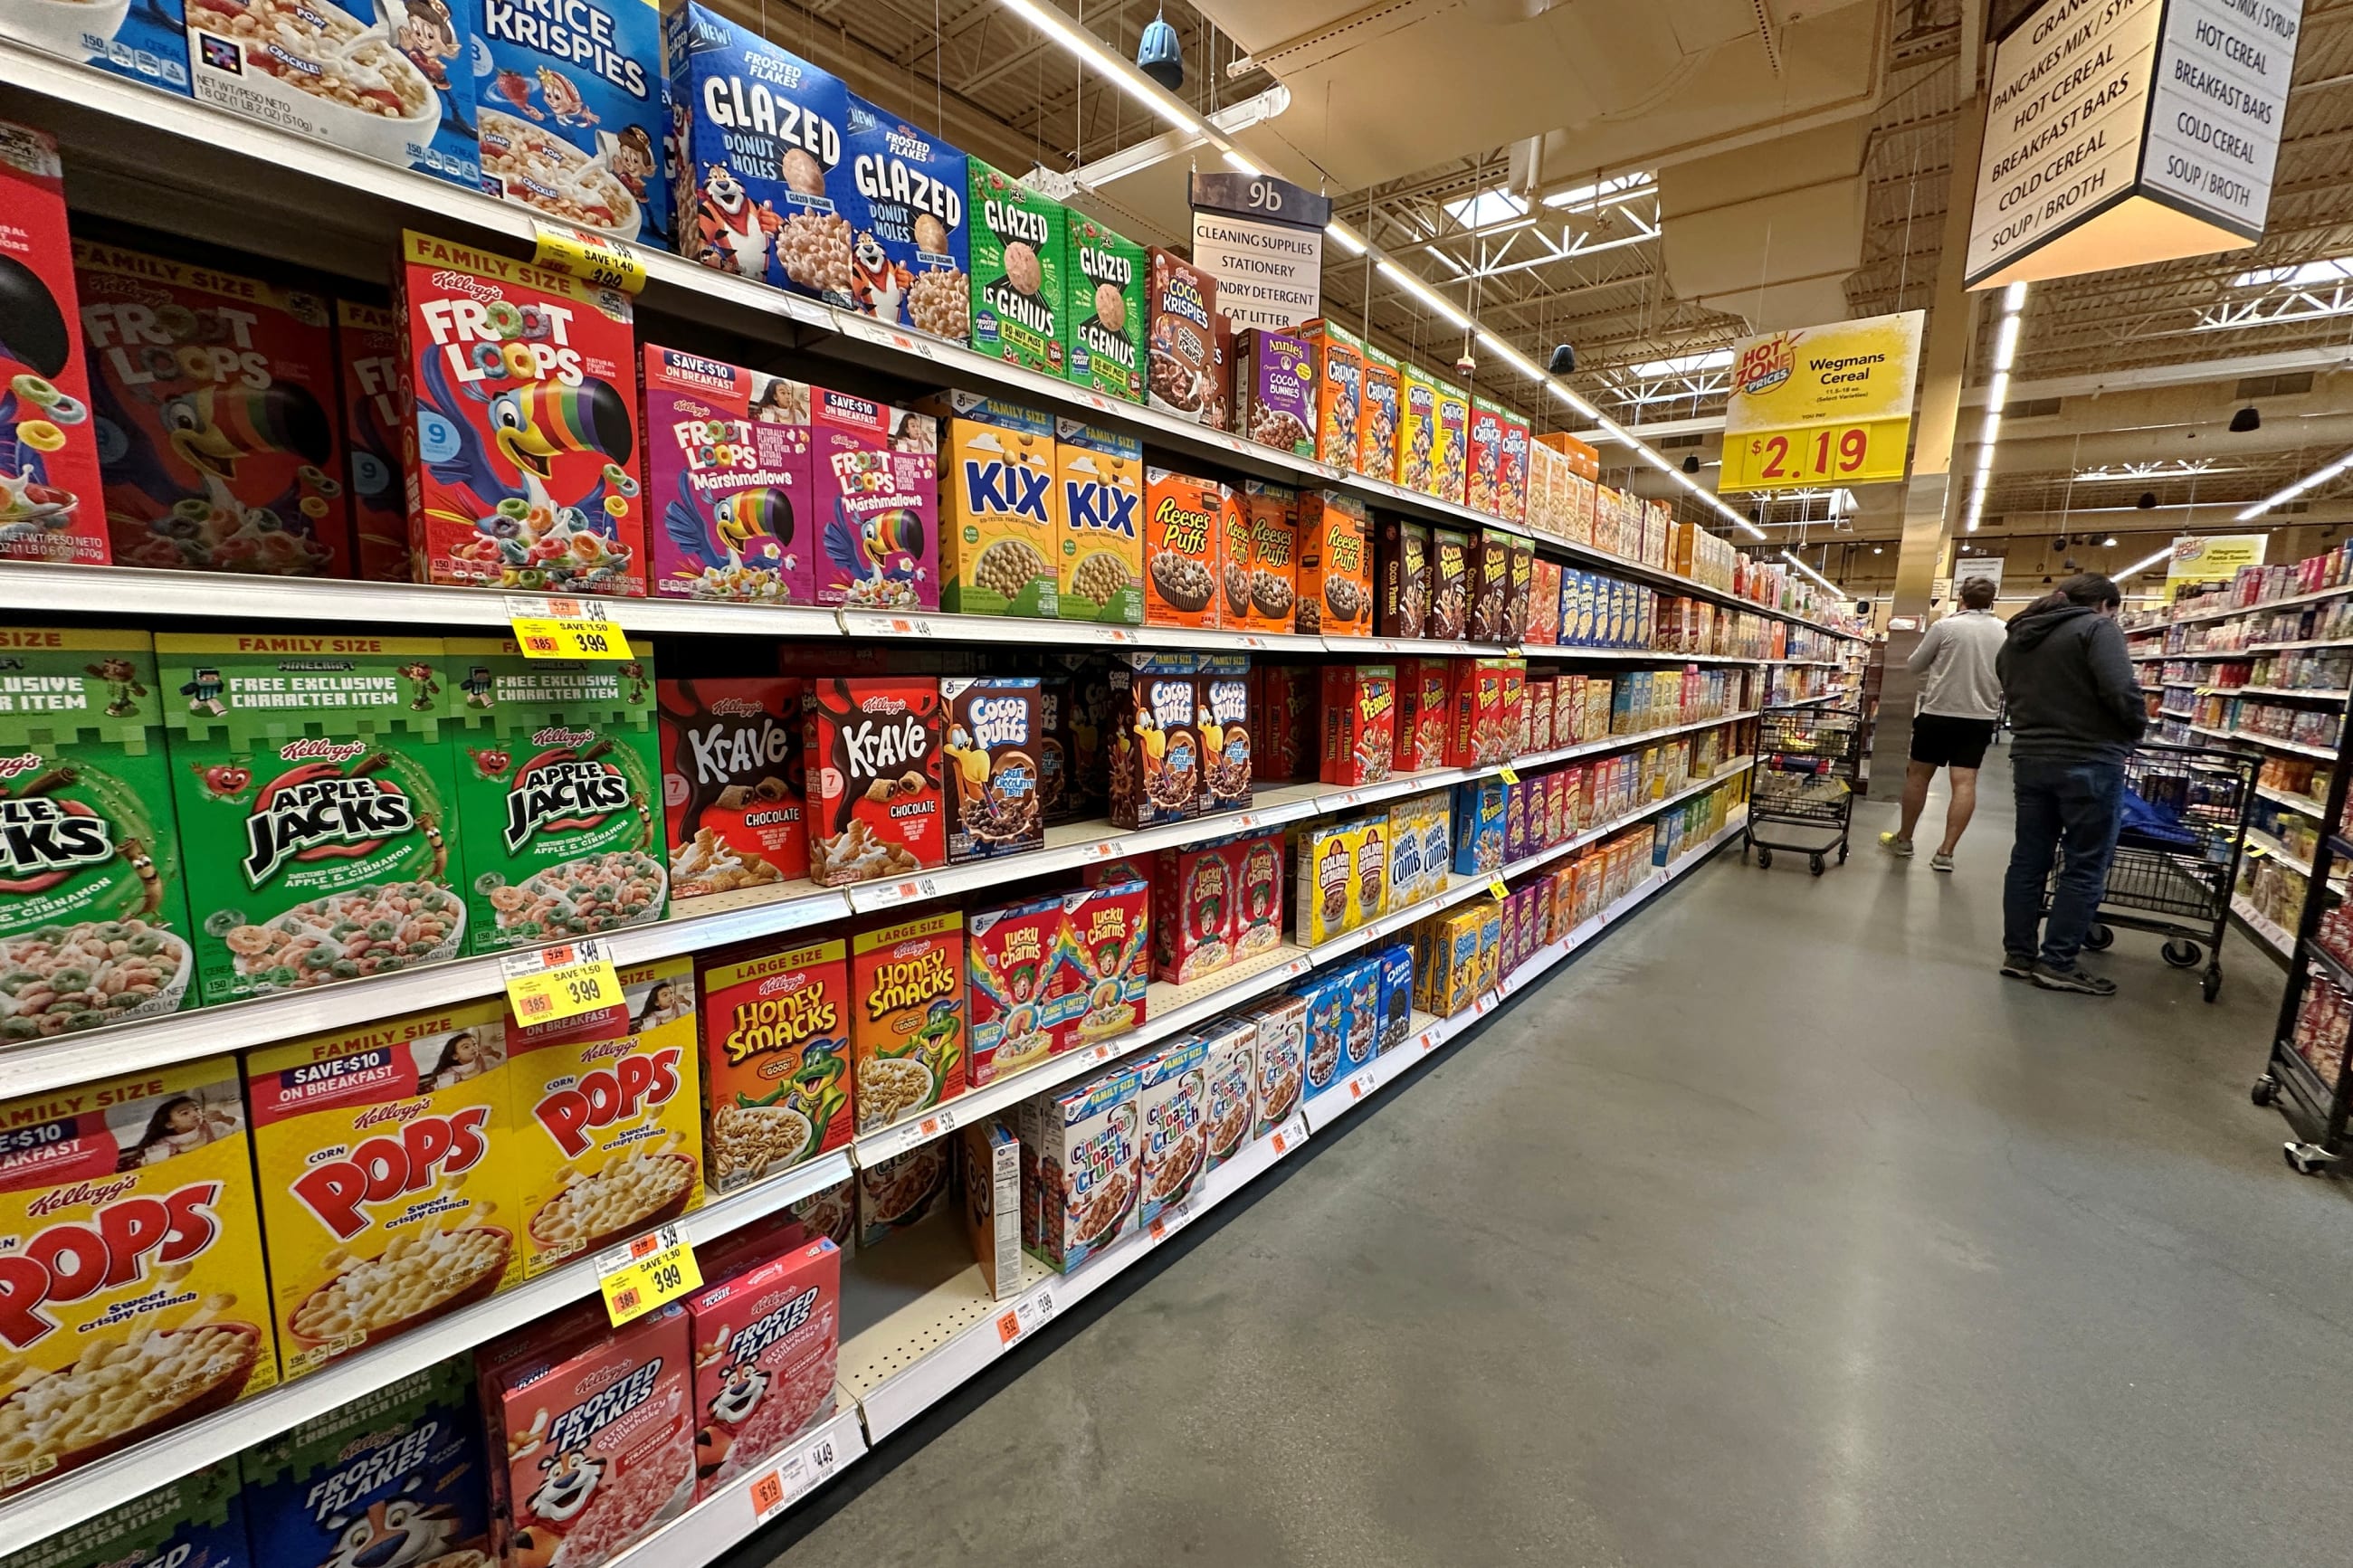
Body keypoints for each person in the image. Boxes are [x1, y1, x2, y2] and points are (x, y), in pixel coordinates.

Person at [1997, 573, 2147, 994]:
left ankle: (2019, 954)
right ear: (2103, 604)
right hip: (2088, 759)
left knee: (2028, 858)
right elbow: (2121, 688)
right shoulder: (2098, 629)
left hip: (2029, 757)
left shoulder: (2017, 635)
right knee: (2084, 863)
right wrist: (2134, 730)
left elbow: (2007, 685)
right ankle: (2058, 961)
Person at [1881, 575, 2007, 870]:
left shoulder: (1945, 626)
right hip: (1979, 717)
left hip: (1938, 714)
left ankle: (1904, 841)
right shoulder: (2005, 631)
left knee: (1918, 776)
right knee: (1965, 782)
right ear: (1992, 601)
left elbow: (1914, 665)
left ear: (1961, 597)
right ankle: (1945, 853)